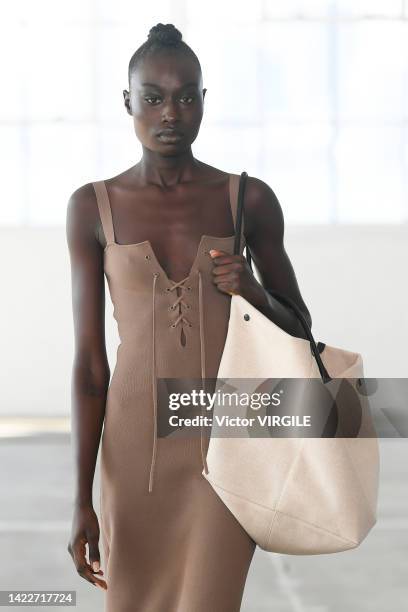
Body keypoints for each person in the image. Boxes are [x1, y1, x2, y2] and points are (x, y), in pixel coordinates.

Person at [66, 22, 312, 612]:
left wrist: (250, 289)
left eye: (186, 95)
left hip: (227, 442)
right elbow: (90, 364)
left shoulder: (247, 198)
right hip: (131, 449)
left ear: (205, 101)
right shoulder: (90, 207)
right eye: (153, 97)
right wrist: (82, 499)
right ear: (128, 102)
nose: (170, 111)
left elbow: (301, 329)